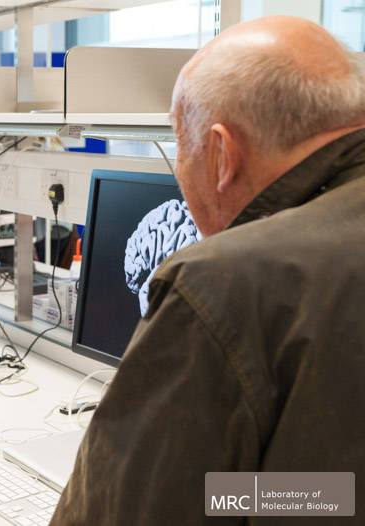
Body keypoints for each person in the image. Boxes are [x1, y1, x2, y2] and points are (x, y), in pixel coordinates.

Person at [51, 15, 365, 525]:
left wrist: (220, 494)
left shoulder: (222, 282)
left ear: (222, 153)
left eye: (180, 142)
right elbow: (335, 494)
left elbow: (128, 513)